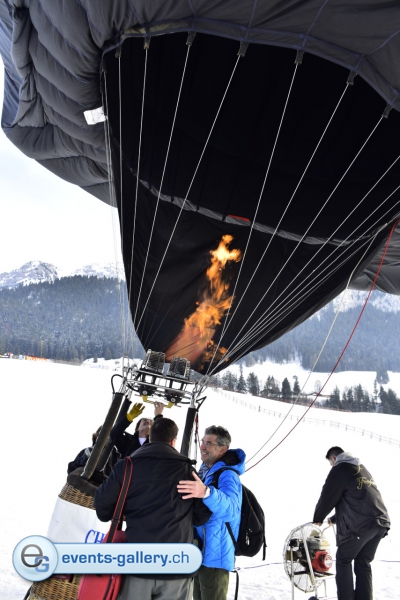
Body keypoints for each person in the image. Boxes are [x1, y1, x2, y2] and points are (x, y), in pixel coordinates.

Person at [94, 417, 210, 600]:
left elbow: (102, 508)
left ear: (150, 437)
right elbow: (201, 516)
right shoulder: (188, 471)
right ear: (173, 441)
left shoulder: (127, 466)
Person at [313, 446, 390, 600]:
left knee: (343, 559)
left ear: (334, 458)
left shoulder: (339, 468)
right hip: (380, 522)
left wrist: (318, 518)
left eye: (331, 463)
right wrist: (334, 519)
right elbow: (358, 499)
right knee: (363, 562)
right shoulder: (361, 468)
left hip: (362, 526)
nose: (331, 466)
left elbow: (328, 495)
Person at [177, 425, 245, 600]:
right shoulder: (206, 470)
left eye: (209, 443)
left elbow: (231, 511)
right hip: (201, 552)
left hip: (215, 558)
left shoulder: (228, 475)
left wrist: (206, 492)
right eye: (203, 442)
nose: (202, 446)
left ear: (222, 449)